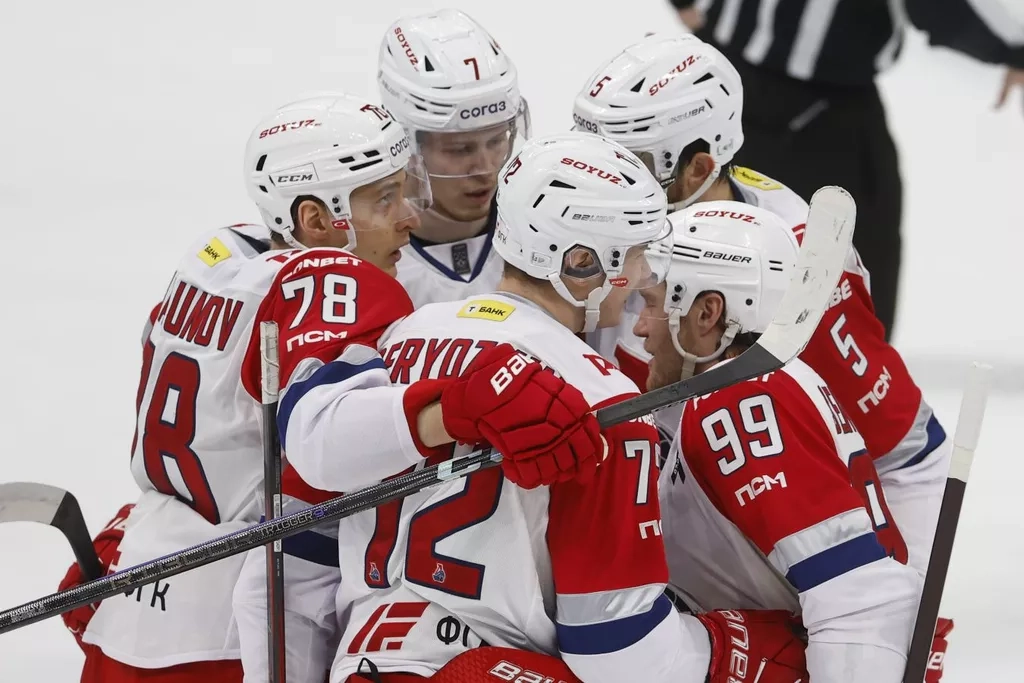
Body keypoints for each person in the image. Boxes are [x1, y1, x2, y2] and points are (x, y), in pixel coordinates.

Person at [235, 132, 810, 683]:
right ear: (580, 264)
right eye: (634, 255)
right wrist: (731, 646)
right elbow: (615, 650)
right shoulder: (602, 399)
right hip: (485, 668)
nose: (640, 277)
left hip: (360, 661)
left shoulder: (400, 337)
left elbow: (304, 515)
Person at [573, 30, 955, 670]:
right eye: (595, 157)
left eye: (630, 165)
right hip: (661, 526)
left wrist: (884, 622)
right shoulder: (585, 221)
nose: (601, 186)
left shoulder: (796, 271)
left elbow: (904, 449)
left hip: (757, 560)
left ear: (699, 169)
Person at [55, 92, 433, 683]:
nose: (410, 217)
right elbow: (329, 442)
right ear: (316, 220)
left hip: (130, 593)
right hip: (228, 634)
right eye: (385, 199)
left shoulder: (214, 258)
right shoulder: (334, 282)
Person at [636, 200, 922, 681]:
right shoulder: (752, 387)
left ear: (707, 313)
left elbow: (857, 598)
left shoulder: (739, 401)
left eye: (652, 304)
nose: (640, 328)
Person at [670, 0, 1024, 339]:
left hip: (720, 84)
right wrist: (1014, 49)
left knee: (704, 237)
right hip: (825, 113)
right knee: (852, 263)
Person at [378, 9, 531, 307]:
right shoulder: (364, 259)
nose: (486, 168)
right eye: (460, 149)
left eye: (497, 140)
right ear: (405, 145)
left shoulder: (541, 237)